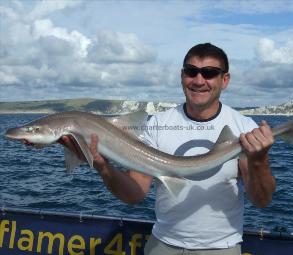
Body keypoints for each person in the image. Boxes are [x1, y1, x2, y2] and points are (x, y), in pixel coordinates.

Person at [60, 43, 276, 255]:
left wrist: (259, 160)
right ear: (182, 76)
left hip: (221, 248)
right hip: (163, 245)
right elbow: (134, 194)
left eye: (209, 73)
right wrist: (102, 166)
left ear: (225, 79)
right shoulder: (156, 125)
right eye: (192, 72)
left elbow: (262, 200)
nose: (199, 80)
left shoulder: (245, 129)